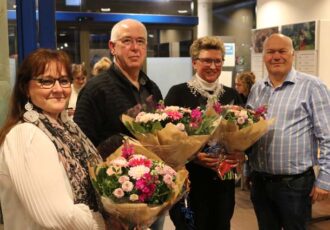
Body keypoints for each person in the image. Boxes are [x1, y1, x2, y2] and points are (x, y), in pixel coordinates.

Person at [0, 49, 105, 229]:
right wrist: (104, 223)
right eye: (46, 81)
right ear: (26, 88)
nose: (58, 89)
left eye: (63, 81)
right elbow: (57, 216)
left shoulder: (68, 127)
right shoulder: (26, 135)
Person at [74, 19, 164, 229]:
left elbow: (163, 137)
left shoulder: (151, 88)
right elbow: (81, 148)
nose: (135, 48)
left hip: (154, 194)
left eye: (140, 42)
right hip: (116, 201)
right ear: (112, 47)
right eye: (127, 41)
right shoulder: (96, 90)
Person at [247, 33, 330, 230]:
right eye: (270, 52)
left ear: (293, 55)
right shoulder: (257, 89)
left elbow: (327, 137)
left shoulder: (312, 86)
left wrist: (325, 180)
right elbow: (248, 134)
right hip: (260, 182)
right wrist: (247, 171)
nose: (276, 56)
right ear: (264, 56)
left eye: (282, 51)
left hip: (295, 185)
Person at [165, 36, 244, 230]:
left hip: (223, 183)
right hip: (191, 183)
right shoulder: (178, 93)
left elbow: (243, 134)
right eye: (207, 60)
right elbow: (167, 145)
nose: (213, 66)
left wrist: (241, 154)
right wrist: (193, 156)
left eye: (218, 61)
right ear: (194, 63)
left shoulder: (231, 95)